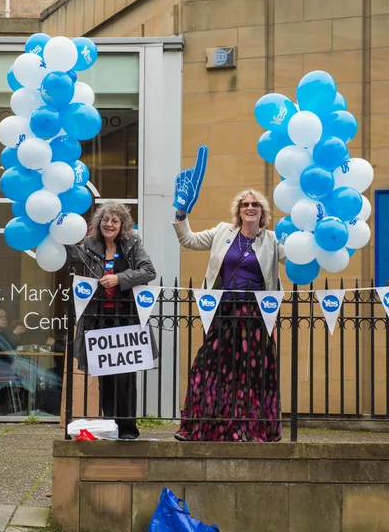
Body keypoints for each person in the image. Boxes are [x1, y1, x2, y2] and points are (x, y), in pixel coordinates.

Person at [172, 161, 286, 441]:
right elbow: (188, 239)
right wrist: (181, 213)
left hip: (257, 315)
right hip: (223, 311)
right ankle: (201, 428)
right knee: (207, 367)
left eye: (255, 205)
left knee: (251, 374)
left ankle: (251, 429)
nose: (250, 208)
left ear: (262, 213)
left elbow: (296, 259)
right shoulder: (222, 232)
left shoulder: (273, 240)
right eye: (245, 204)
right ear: (238, 211)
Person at [68, 202, 157, 440]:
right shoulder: (89, 244)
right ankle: (111, 426)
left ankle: (128, 428)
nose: (109, 224)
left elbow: (149, 271)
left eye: (115, 221)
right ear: (98, 223)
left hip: (126, 318)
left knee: (125, 377)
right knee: (105, 376)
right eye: (106, 220)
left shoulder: (132, 244)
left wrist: (119, 278)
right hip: (99, 319)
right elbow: (69, 257)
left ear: (122, 225)